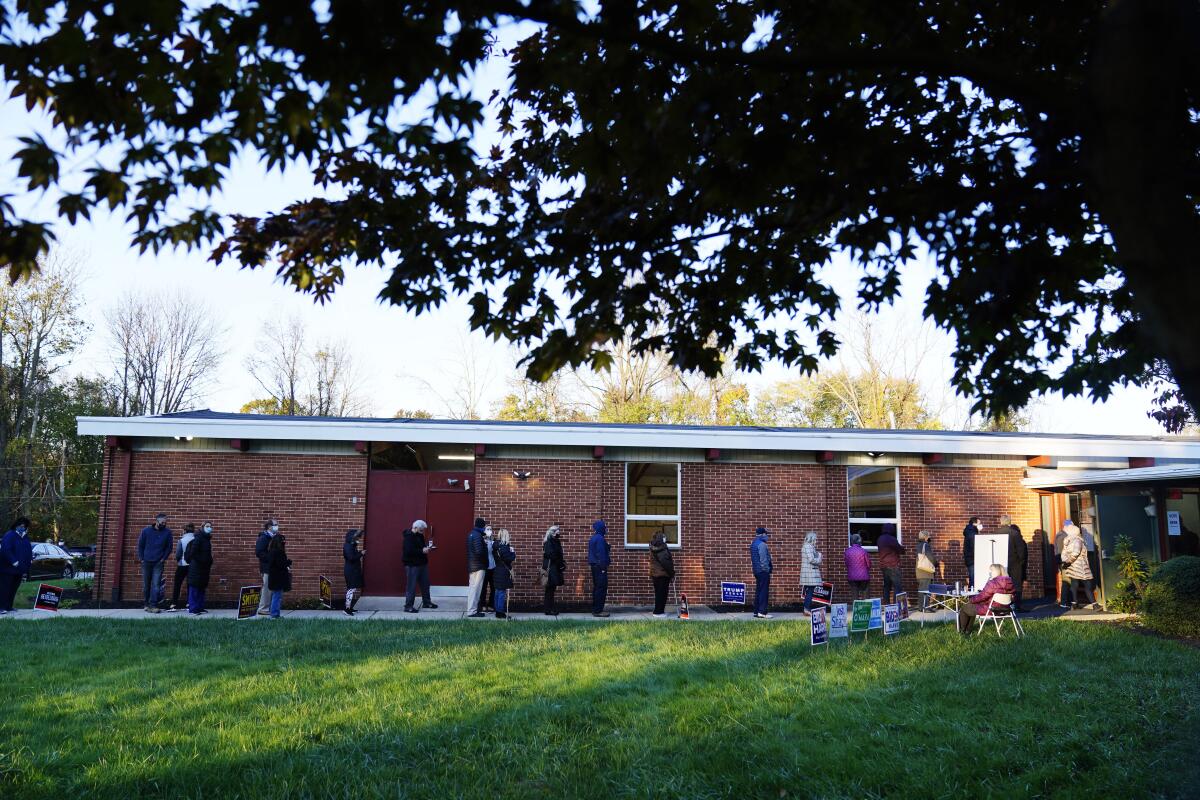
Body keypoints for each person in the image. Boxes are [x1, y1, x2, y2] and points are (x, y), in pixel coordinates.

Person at [956, 563, 1015, 634]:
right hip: (1006, 609)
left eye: (991, 571)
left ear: (996, 571)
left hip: (992, 609)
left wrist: (971, 600)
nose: (990, 573)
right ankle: (967, 630)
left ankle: (962, 631)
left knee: (965, 608)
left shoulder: (993, 583)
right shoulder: (1010, 582)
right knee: (972, 606)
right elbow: (1012, 597)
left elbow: (982, 596)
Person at [137, 513, 173, 613]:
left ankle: (153, 605)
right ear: (156, 522)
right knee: (146, 585)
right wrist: (142, 558)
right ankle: (146, 604)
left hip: (158, 562)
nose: (164, 524)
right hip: (146, 562)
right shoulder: (146, 531)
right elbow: (140, 545)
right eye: (162, 522)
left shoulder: (167, 532)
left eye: (165, 523)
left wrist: (163, 559)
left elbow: (169, 547)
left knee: (156, 584)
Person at [0, 517, 34, 616]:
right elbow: (6, 549)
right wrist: (13, 561)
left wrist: (29, 560)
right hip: (7, 568)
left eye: (24, 526)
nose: (22, 527)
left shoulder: (24, 537)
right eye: (20, 526)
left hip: (19, 569)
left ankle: (8, 606)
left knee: (13, 588)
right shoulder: (9, 535)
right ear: (16, 525)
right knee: (4, 588)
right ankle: (1, 607)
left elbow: (28, 550)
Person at [1061, 523, 1099, 609]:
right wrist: (1070, 561)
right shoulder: (1077, 540)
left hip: (1072, 567)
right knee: (1088, 585)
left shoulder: (1067, 541)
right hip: (1081, 567)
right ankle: (1095, 605)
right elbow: (1076, 553)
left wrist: (1066, 562)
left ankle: (1074, 604)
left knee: (1074, 585)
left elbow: (1063, 554)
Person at [402, 520, 437, 613]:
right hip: (412, 565)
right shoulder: (408, 537)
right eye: (421, 530)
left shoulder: (420, 536)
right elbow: (409, 551)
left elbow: (421, 547)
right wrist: (422, 551)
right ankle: (408, 606)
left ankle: (427, 602)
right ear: (415, 528)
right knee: (411, 586)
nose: (422, 532)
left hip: (422, 564)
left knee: (425, 584)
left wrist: (427, 548)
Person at [185, 522, 214, 615]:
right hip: (196, 568)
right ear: (202, 527)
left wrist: (209, 561)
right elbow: (193, 552)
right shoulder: (198, 538)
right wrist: (202, 561)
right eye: (207, 526)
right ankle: (193, 608)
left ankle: (200, 607)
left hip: (204, 568)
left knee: (202, 587)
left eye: (210, 526)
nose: (209, 528)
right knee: (194, 588)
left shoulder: (207, 539)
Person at [168, 523, 196, 612]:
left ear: (184, 530)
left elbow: (178, 554)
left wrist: (179, 560)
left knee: (177, 584)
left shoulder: (182, 540)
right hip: (193, 566)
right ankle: (189, 603)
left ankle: (174, 604)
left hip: (182, 564)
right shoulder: (196, 539)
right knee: (190, 585)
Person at [1002, 516, 1028, 612]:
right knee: (1017, 585)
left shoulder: (996, 533)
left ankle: (1004, 605)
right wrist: (1020, 562)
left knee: (1003, 585)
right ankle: (1017, 606)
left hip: (1001, 565)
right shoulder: (1015, 534)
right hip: (1015, 564)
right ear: (1009, 522)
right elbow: (1021, 551)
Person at [254, 519, 279, 617]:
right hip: (266, 567)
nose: (277, 526)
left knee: (271, 588)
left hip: (273, 567)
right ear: (269, 527)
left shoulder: (273, 537)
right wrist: (270, 559)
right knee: (267, 588)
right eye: (275, 525)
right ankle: (263, 608)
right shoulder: (264, 538)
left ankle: (268, 607)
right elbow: (259, 552)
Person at [876, 523, 905, 604]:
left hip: (883, 566)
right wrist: (903, 549)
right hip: (893, 565)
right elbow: (900, 549)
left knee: (886, 587)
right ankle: (896, 606)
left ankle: (887, 605)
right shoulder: (892, 539)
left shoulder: (880, 539)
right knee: (897, 586)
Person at [648, 530, 675, 617]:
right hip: (663, 574)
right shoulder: (662, 548)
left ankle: (658, 611)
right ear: (660, 538)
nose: (665, 538)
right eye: (664, 536)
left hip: (655, 574)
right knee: (662, 594)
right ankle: (658, 612)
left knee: (658, 593)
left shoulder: (654, 547)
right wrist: (672, 573)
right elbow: (666, 563)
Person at [588, 520, 611, 617]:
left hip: (594, 566)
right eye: (605, 527)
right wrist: (603, 567)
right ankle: (598, 611)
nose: (606, 528)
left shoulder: (594, 538)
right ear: (601, 528)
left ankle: (596, 609)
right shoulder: (600, 539)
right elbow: (601, 554)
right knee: (601, 588)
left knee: (597, 588)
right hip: (600, 567)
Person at [265, 534, 292, 619]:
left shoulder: (271, 551)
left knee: (275, 596)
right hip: (278, 578)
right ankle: (274, 614)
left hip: (274, 577)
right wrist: (289, 562)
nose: (284, 542)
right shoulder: (278, 552)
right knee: (277, 596)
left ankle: (274, 613)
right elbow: (281, 564)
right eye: (282, 540)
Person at [466, 517, 488, 617]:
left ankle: (472, 610)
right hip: (478, 566)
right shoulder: (478, 536)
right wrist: (485, 562)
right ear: (482, 526)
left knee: (472, 588)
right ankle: (472, 611)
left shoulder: (471, 534)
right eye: (484, 526)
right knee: (476, 589)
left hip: (473, 565)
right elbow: (479, 552)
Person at [492, 528, 516, 618]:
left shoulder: (495, 545)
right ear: (506, 536)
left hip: (497, 569)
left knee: (498, 591)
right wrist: (512, 552)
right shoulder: (504, 547)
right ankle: (500, 612)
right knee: (502, 592)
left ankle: (497, 610)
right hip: (503, 571)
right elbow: (509, 559)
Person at [750, 526, 773, 619]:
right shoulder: (762, 545)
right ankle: (762, 612)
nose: (767, 536)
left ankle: (756, 611)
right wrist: (767, 569)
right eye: (766, 534)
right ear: (763, 534)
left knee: (759, 591)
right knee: (764, 591)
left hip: (756, 571)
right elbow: (763, 560)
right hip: (763, 571)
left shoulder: (754, 543)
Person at [542, 525, 565, 616]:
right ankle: (548, 609)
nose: (559, 533)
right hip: (550, 569)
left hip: (554, 568)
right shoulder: (549, 542)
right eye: (557, 531)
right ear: (553, 532)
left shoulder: (555, 541)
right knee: (549, 590)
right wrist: (560, 563)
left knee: (551, 589)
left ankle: (550, 608)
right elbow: (551, 555)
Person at [799, 530, 823, 616]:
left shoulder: (808, 546)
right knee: (810, 591)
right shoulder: (808, 546)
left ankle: (807, 608)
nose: (816, 541)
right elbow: (811, 559)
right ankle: (807, 609)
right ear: (811, 539)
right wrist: (819, 557)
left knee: (809, 591)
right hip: (810, 572)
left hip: (809, 572)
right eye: (815, 539)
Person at [343, 529, 365, 616]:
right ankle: (347, 609)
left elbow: (353, 555)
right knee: (351, 589)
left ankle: (349, 608)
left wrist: (359, 552)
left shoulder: (352, 546)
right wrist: (361, 554)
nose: (358, 539)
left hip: (353, 570)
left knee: (352, 589)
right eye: (356, 537)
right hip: (350, 570)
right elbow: (351, 558)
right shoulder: (348, 546)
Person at [845, 532, 871, 600]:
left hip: (852, 576)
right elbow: (868, 564)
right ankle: (866, 608)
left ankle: (855, 609)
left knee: (854, 594)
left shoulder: (847, 551)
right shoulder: (863, 551)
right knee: (865, 592)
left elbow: (847, 564)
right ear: (859, 541)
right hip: (864, 576)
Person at [1054, 521, 1073, 608]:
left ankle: (1067, 601)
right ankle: (1064, 602)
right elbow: (1062, 552)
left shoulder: (1060, 534)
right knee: (1067, 581)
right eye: (1072, 526)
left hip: (1062, 562)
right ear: (1067, 526)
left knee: (1067, 581)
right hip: (1064, 562)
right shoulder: (1063, 536)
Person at [915, 530, 936, 609]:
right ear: (926, 537)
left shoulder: (918, 545)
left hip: (919, 571)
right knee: (926, 590)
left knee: (922, 590)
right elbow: (930, 557)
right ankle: (926, 607)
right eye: (928, 536)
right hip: (926, 571)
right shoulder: (925, 545)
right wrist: (935, 563)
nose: (929, 537)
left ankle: (921, 607)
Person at [481, 524, 496, 612]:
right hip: (485, 567)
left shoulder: (494, 541)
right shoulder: (482, 541)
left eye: (490, 529)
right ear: (484, 531)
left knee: (493, 587)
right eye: (487, 529)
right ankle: (482, 604)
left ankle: (491, 604)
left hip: (493, 567)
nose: (489, 530)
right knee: (484, 587)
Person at [963, 516, 981, 584]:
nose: (980, 525)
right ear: (974, 523)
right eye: (979, 523)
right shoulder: (972, 533)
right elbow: (975, 546)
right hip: (973, 558)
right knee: (973, 578)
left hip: (970, 558)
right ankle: (973, 593)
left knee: (972, 577)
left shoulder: (970, 531)